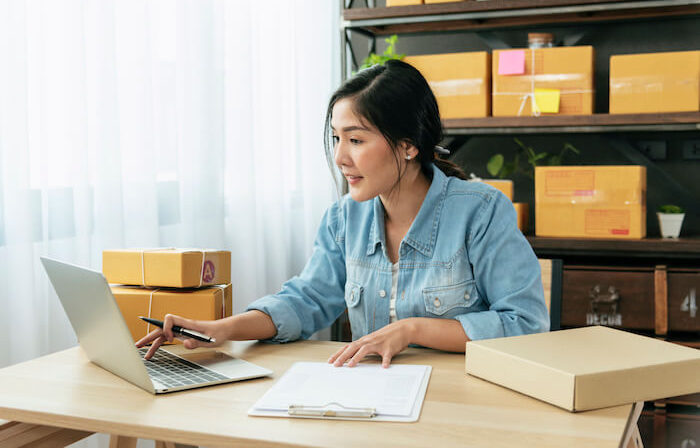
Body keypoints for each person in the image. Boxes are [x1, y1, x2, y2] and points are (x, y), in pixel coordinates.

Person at [136, 60, 550, 367]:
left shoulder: (480, 211)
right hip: (375, 399)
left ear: (408, 145)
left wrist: (412, 330)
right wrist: (221, 329)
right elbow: (305, 301)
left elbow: (526, 324)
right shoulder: (343, 219)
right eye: (336, 138)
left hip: (465, 408)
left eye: (355, 139)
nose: (339, 157)